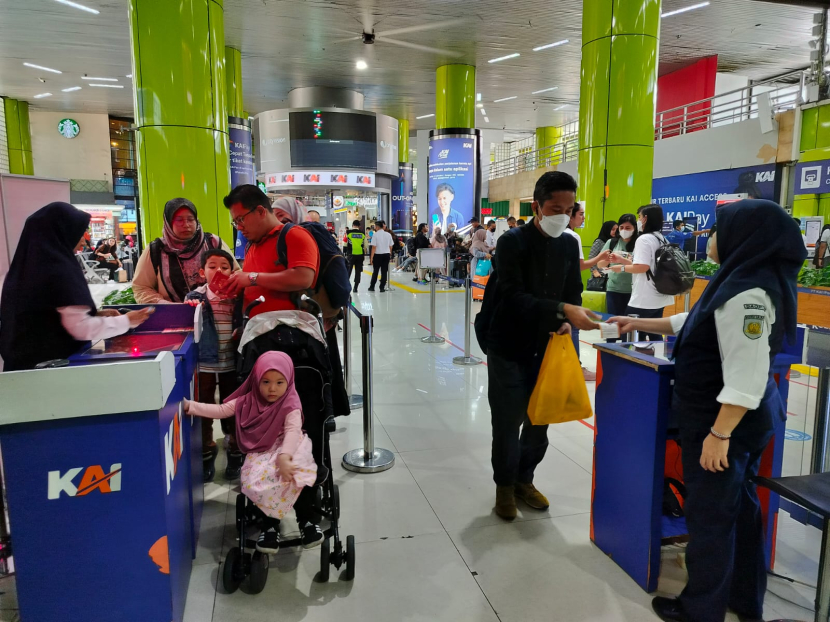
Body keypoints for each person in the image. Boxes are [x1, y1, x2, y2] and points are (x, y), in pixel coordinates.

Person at [609, 199, 805, 622]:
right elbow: (693, 322)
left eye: (718, 231)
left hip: (727, 427)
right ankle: (741, 597)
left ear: (742, 237)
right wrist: (636, 323)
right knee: (737, 512)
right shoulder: (736, 280)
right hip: (732, 424)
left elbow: (747, 376)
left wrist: (719, 436)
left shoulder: (748, 294)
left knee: (713, 519)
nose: (710, 238)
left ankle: (701, 609)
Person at [476, 171, 601, 521]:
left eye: (569, 207)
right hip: (508, 345)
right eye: (554, 207)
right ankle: (504, 488)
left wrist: (564, 318)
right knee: (507, 422)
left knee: (540, 420)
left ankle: (523, 481)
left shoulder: (567, 243)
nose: (563, 214)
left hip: (547, 348)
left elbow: (572, 289)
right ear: (537, 207)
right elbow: (513, 296)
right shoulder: (512, 242)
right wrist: (562, 309)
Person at [184, 351, 322, 552]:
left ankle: (306, 520)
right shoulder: (248, 400)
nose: (272, 389)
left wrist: (285, 456)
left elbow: (293, 430)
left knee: (296, 473)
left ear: (289, 381)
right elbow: (222, 410)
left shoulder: (291, 402)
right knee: (259, 480)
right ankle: (270, 526)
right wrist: (191, 407)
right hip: (261, 448)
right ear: (256, 380)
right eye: (265, 382)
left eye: (279, 382)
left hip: (289, 446)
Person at [0, 202, 151, 371]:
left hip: (18, 371)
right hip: (49, 374)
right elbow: (81, 328)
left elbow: (45, 316)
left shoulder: (24, 270)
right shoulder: (58, 270)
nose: (83, 238)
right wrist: (127, 321)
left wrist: (96, 314)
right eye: (79, 232)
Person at [185, 249, 243, 482]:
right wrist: (188, 308)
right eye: (212, 266)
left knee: (234, 410)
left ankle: (235, 450)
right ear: (202, 272)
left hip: (232, 364)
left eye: (224, 267)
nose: (218, 271)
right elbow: (188, 327)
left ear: (232, 271)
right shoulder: (196, 296)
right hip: (204, 365)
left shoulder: (238, 295)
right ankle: (207, 451)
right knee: (203, 410)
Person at [133, 198, 237, 303]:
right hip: (172, 316)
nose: (186, 225)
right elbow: (141, 288)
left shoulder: (213, 243)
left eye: (190, 219)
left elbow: (236, 274)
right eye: (179, 220)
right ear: (169, 223)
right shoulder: (156, 250)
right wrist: (168, 307)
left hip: (215, 312)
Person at [608, 204, 674, 341]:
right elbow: (648, 265)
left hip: (644, 297)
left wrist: (620, 267)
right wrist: (625, 261)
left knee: (629, 333)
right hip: (659, 295)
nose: (638, 220)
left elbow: (642, 267)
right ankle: (654, 360)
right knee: (653, 331)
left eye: (639, 217)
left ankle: (630, 360)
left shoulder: (644, 239)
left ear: (645, 219)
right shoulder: (661, 238)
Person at [564, 204, 610, 381]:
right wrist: (600, 258)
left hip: (555, 290)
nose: (583, 217)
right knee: (574, 328)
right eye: (581, 214)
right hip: (570, 289)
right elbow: (580, 265)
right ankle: (576, 367)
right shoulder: (572, 236)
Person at [597, 214, 638, 333]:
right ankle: (609, 349)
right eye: (621, 227)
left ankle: (626, 349)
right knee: (612, 325)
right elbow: (599, 264)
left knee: (629, 327)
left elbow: (641, 266)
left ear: (635, 228)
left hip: (633, 290)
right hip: (613, 288)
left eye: (628, 228)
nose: (624, 230)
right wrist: (609, 259)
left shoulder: (639, 243)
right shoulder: (612, 242)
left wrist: (623, 260)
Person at [368, 220, 393, 293]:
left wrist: (371, 258)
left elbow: (373, 247)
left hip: (377, 255)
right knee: (384, 271)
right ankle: (382, 287)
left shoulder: (375, 235)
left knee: (375, 271)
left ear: (377, 227)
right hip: (386, 255)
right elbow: (390, 246)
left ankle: (372, 287)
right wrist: (390, 253)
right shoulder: (388, 234)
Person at [344, 220, 365, 293]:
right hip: (360, 254)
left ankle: (346, 286)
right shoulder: (362, 233)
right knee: (358, 272)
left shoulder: (348, 232)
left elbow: (344, 243)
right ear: (359, 226)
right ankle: (355, 288)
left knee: (348, 270)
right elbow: (365, 245)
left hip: (351, 254)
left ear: (353, 225)